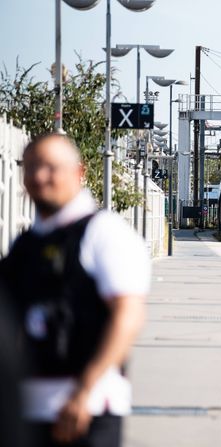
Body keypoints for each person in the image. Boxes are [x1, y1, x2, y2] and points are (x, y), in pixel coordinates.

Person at [0, 132, 150, 447]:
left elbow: (128, 315)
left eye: (51, 167)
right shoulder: (25, 245)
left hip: (89, 409)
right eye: (31, 167)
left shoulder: (104, 233)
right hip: (25, 410)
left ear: (78, 173)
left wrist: (84, 391)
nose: (40, 177)